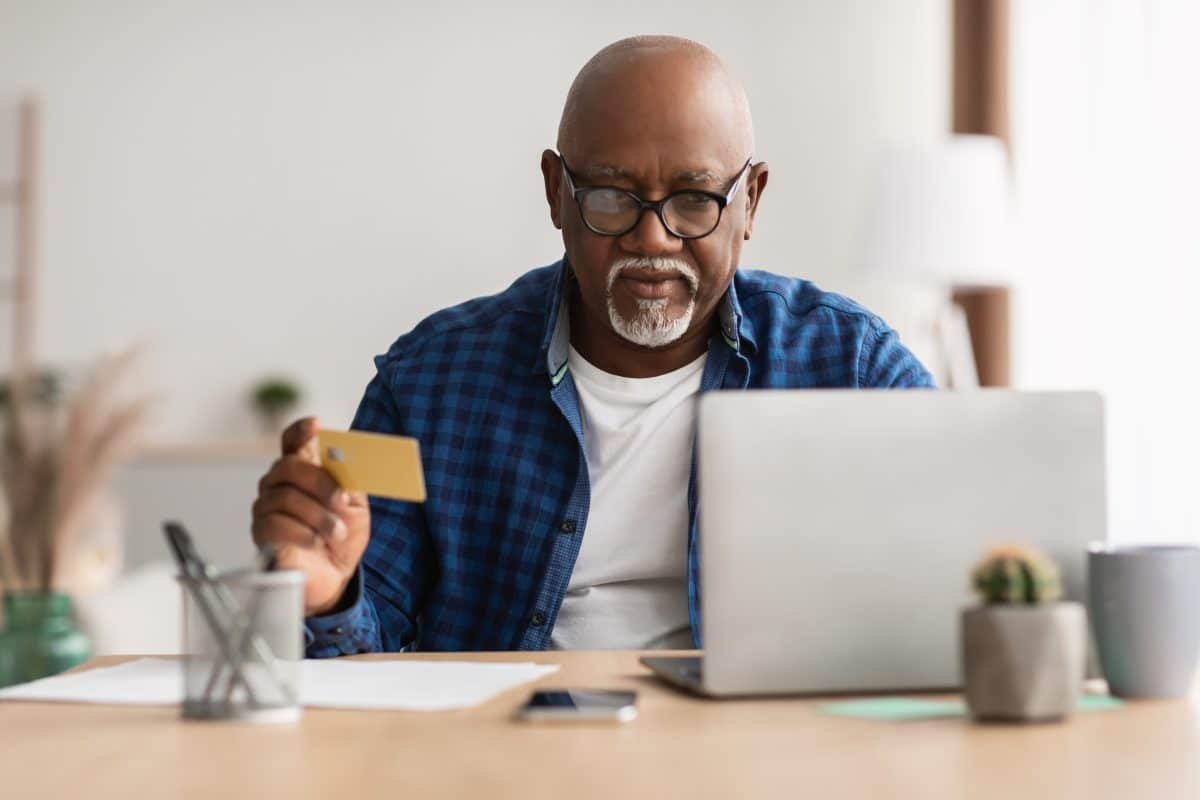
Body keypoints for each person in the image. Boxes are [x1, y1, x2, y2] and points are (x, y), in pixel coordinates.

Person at [250, 35, 934, 656]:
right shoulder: (428, 382)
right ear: (556, 193)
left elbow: (959, 581)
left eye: (695, 199)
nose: (653, 238)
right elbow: (360, 655)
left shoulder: (851, 365)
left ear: (749, 201)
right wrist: (326, 596)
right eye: (611, 197)